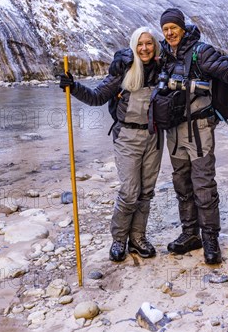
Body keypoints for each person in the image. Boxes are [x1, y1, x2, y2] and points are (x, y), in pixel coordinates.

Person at [156, 8, 228, 265]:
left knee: (204, 185)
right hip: (174, 130)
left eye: (173, 27)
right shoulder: (163, 55)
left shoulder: (201, 52)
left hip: (199, 130)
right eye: (165, 29)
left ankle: (210, 239)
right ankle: (190, 234)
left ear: (182, 28)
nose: (170, 32)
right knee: (181, 183)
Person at [59, 27, 163, 262]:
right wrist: (73, 87)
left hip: (154, 137)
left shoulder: (163, 68)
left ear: (155, 46)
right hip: (127, 137)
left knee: (146, 192)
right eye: (140, 44)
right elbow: (96, 97)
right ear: (133, 46)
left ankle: (138, 238)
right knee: (129, 193)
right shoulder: (123, 70)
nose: (144, 48)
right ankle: (119, 239)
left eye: (149, 43)